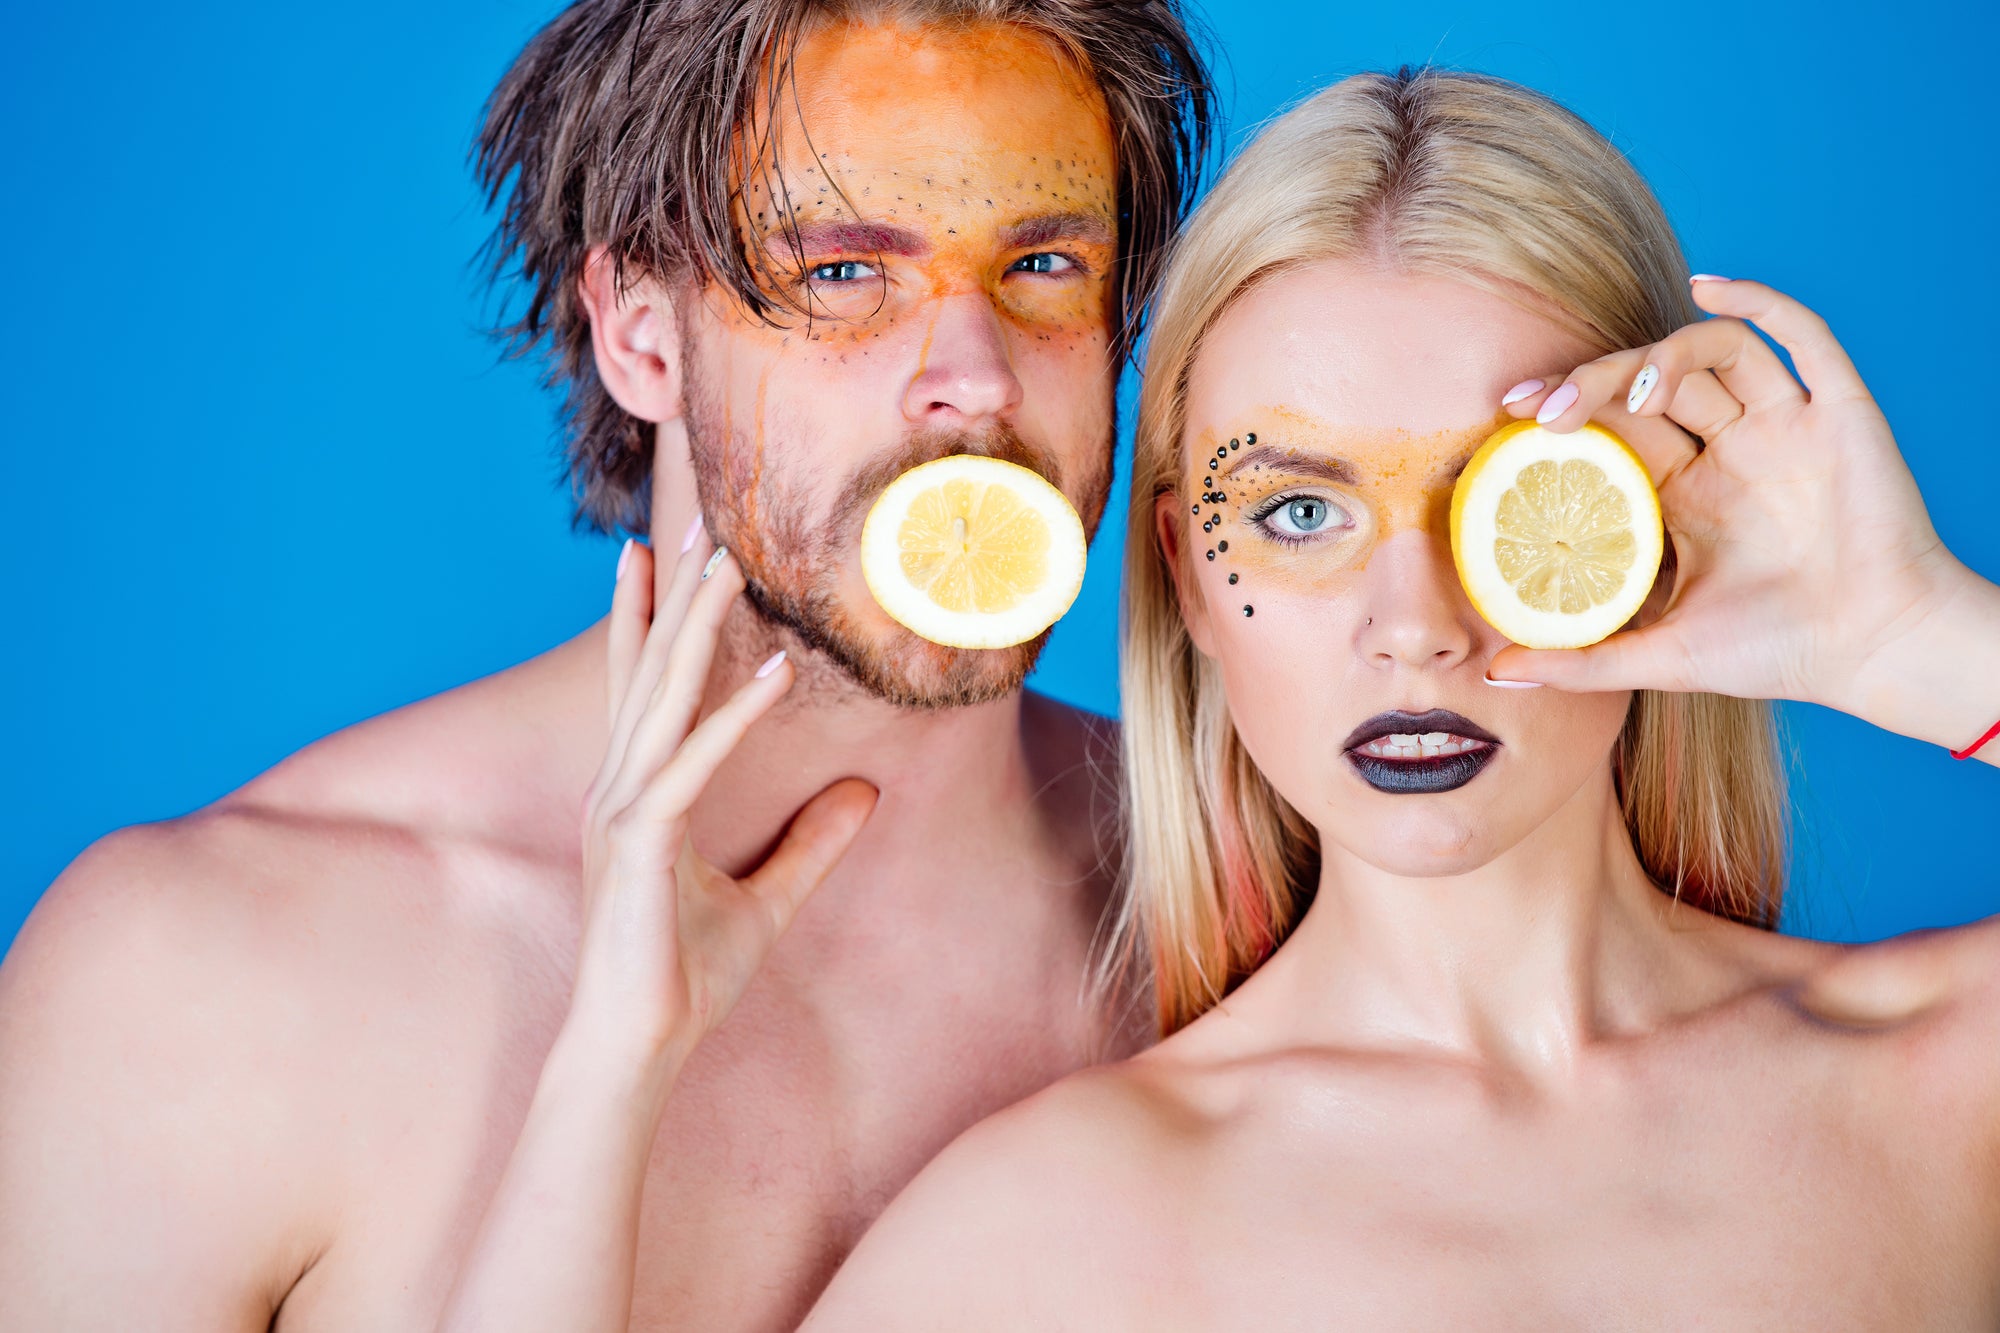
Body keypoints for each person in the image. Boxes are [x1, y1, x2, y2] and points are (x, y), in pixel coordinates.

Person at [0, 3, 1212, 1330]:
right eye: (840, 273)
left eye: (1042, 263)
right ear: (640, 334)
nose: (975, 379)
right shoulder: (191, 984)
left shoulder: (1248, 906)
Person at [800, 69, 2000, 1327]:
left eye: (1506, 498)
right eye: (1296, 513)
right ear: (1186, 574)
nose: (1413, 627)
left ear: (1646, 526)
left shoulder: (1943, 1084)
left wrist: (1911, 638)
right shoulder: (1035, 1235)